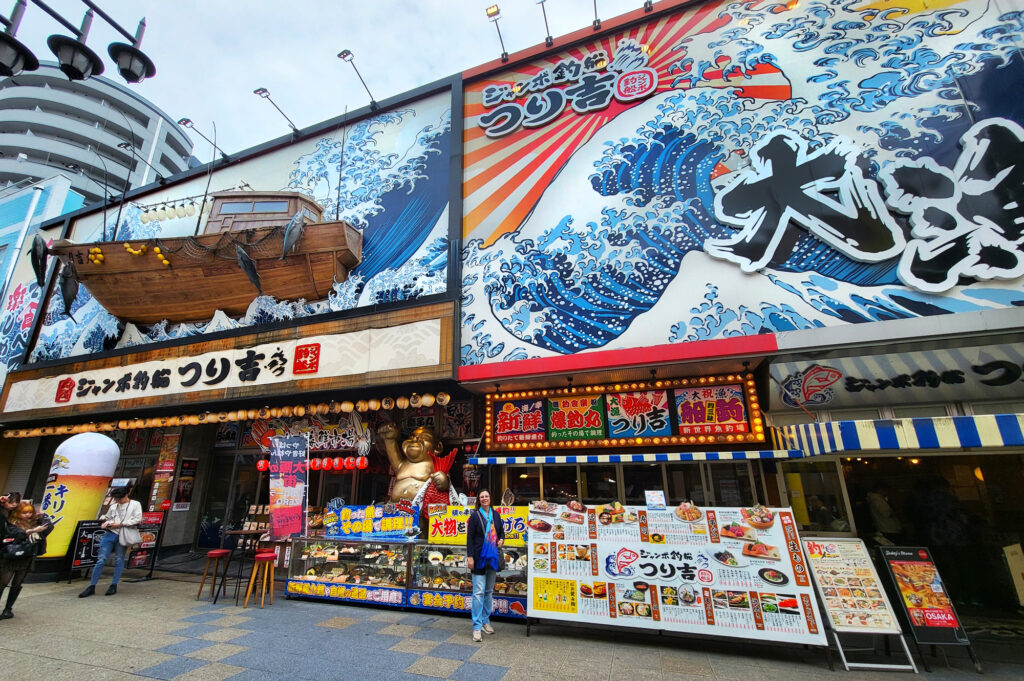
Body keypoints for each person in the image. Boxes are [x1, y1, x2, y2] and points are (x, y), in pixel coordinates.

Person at [79, 487, 142, 598]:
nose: (118, 500)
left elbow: (137, 519)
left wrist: (120, 524)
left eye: (120, 498)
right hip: (109, 533)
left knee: (119, 558)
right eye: (116, 499)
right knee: (101, 559)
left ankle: (114, 584)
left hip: (122, 534)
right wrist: (105, 523)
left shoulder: (135, 504)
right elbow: (107, 517)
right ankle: (92, 586)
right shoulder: (113, 506)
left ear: (127, 494)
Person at [0, 499, 53, 619]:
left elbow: (49, 527)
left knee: (17, 584)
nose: (28, 515)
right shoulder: (10, 522)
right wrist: (32, 531)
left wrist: (42, 516)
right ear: (18, 513)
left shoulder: (35, 523)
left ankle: (8, 609)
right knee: (2, 583)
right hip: (10, 557)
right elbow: (16, 534)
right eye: (24, 513)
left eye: (30, 512)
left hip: (26, 556)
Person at [466, 489, 504, 642]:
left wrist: (501, 540)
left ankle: (485, 621)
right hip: (478, 557)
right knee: (478, 592)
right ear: (478, 500)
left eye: (486, 496)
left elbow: (502, 532)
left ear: (490, 498)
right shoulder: (475, 516)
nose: (484, 498)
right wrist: (470, 557)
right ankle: (476, 626)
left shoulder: (496, 515)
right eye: (481, 497)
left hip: (492, 557)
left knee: (488, 591)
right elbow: (470, 537)